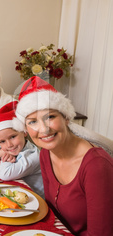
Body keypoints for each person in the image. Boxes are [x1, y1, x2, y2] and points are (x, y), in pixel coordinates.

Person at [13, 76, 113, 235]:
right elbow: (51, 212)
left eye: (50, 117)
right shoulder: (45, 153)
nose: (44, 129)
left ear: (66, 118)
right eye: (32, 122)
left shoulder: (96, 166)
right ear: (25, 129)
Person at [0, 101, 44, 198]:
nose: (9, 144)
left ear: (24, 132)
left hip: (36, 199)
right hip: (20, 191)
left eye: (13, 137)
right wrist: (0, 152)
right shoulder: (12, 148)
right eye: (2, 141)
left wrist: (5, 157)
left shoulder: (33, 156)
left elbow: (5, 174)